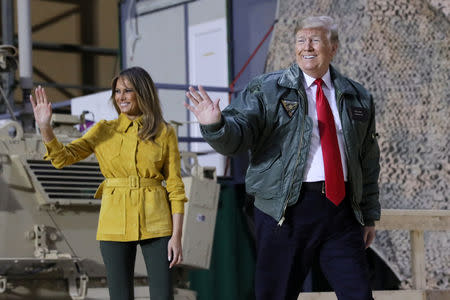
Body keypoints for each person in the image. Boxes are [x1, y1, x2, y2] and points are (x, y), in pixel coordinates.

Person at [185, 15, 380, 300]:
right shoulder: (266, 89)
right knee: (275, 295)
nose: (307, 47)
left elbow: (368, 159)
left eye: (315, 39)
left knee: (359, 295)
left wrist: (369, 215)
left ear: (333, 47)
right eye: (301, 40)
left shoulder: (357, 96)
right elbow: (239, 135)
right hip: (285, 211)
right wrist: (216, 126)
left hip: (342, 213)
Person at [31, 67, 187, 300]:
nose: (121, 97)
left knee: (163, 295)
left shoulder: (164, 132)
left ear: (143, 93)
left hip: (157, 221)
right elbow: (62, 158)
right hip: (114, 221)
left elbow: (175, 186)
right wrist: (45, 127)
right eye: (117, 91)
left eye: (128, 91)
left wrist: (177, 236)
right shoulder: (104, 130)